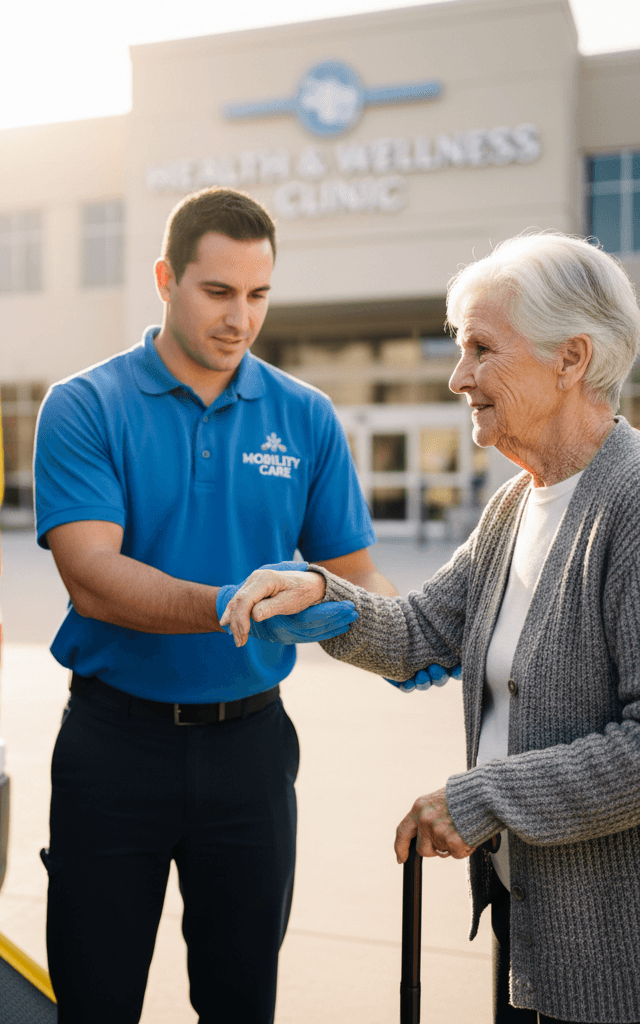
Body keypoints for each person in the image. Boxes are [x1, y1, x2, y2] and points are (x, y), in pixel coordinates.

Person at [32, 187, 445, 1023]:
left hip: (251, 754)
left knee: (240, 1002)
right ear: (165, 279)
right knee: (95, 1000)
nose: (240, 318)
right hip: (114, 748)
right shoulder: (85, 406)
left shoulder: (304, 416)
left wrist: (420, 638)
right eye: (218, 292)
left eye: (258, 294)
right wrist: (238, 604)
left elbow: (360, 577)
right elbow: (92, 576)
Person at [220, 231, 640, 1024]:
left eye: (483, 349)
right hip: (536, 922)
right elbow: (420, 629)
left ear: (571, 359)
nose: (459, 377)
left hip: (613, 954)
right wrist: (316, 591)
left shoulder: (632, 504)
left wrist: (485, 798)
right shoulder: (518, 503)